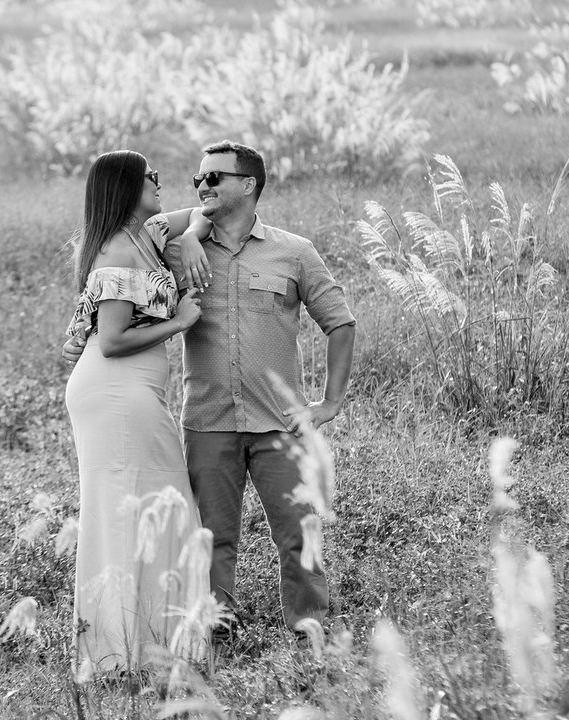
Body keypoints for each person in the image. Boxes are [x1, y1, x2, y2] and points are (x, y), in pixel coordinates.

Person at [66, 141, 357, 639]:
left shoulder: (294, 251)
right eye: (199, 179)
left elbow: (341, 323)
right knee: (210, 537)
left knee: (298, 532)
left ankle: (311, 628)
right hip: (206, 419)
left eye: (215, 178)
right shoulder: (170, 249)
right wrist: (197, 233)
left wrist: (329, 402)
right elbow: (112, 290)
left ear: (248, 184)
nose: (202, 186)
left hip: (277, 423)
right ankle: (214, 630)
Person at [64, 150, 215, 673]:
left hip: (132, 392)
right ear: (128, 187)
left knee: (156, 501)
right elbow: (110, 341)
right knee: (137, 505)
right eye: (151, 177)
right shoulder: (115, 253)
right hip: (114, 391)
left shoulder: (145, 234)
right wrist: (180, 323)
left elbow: (200, 214)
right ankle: (120, 649)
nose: (160, 182)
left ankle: (155, 638)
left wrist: (192, 234)